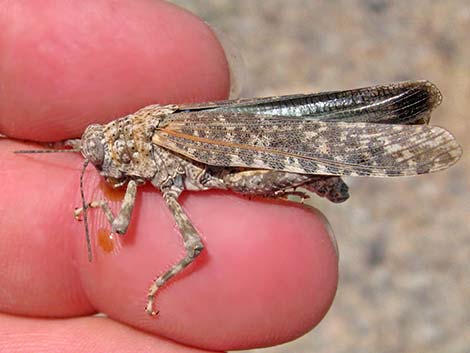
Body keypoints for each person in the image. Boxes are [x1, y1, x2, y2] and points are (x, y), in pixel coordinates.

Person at [0, 1, 338, 351]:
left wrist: (102, 208)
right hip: (242, 141)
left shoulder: (147, 159)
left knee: (243, 188)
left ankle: (317, 168)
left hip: (252, 154)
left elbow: (178, 244)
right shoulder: (146, 124)